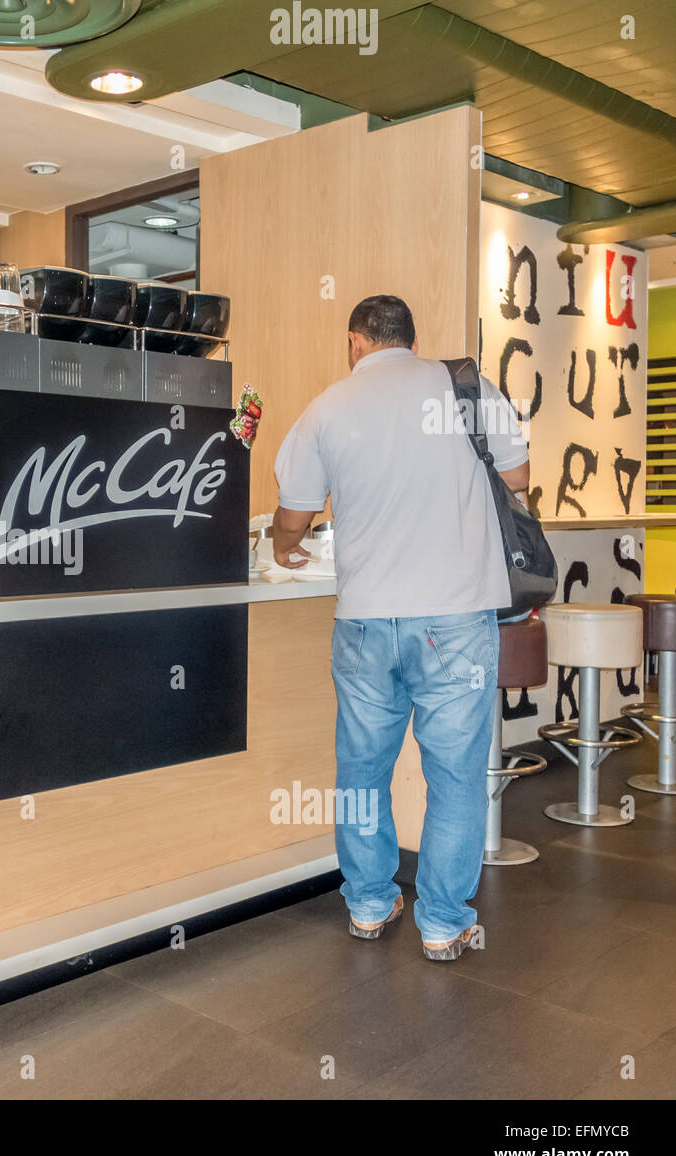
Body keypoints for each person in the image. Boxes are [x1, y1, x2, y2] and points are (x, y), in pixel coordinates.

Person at [271, 295, 529, 961]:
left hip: (364, 622)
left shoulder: (327, 406)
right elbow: (520, 474)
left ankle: (368, 903)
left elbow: (293, 516)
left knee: (362, 770)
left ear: (356, 342)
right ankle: (442, 922)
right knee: (455, 778)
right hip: (456, 619)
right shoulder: (464, 388)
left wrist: (282, 546)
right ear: (410, 340)